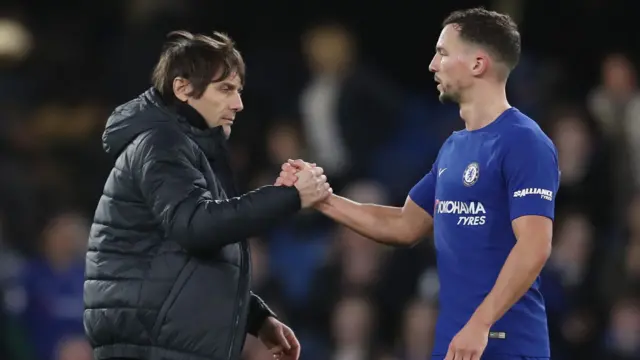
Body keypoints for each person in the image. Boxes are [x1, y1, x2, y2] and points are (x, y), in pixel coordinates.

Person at [278, 8, 559, 360]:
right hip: (455, 344)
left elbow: (534, 246)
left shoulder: (524, 142)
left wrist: (481, 324)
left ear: (477, 64)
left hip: (506, 344)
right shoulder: (454, 147)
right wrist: (321, 198)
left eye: (442, 53)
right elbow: (404, 224)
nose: (431, 64)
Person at [84, 30, 331, 360]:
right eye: (225, 89)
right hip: (151, 347)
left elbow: (180, 258)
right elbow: (197, 227)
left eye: (239, 90)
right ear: (183, 88)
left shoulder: (184, 145)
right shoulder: (161, 143)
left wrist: (253, 317)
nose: (238, 103)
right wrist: (290, 196)